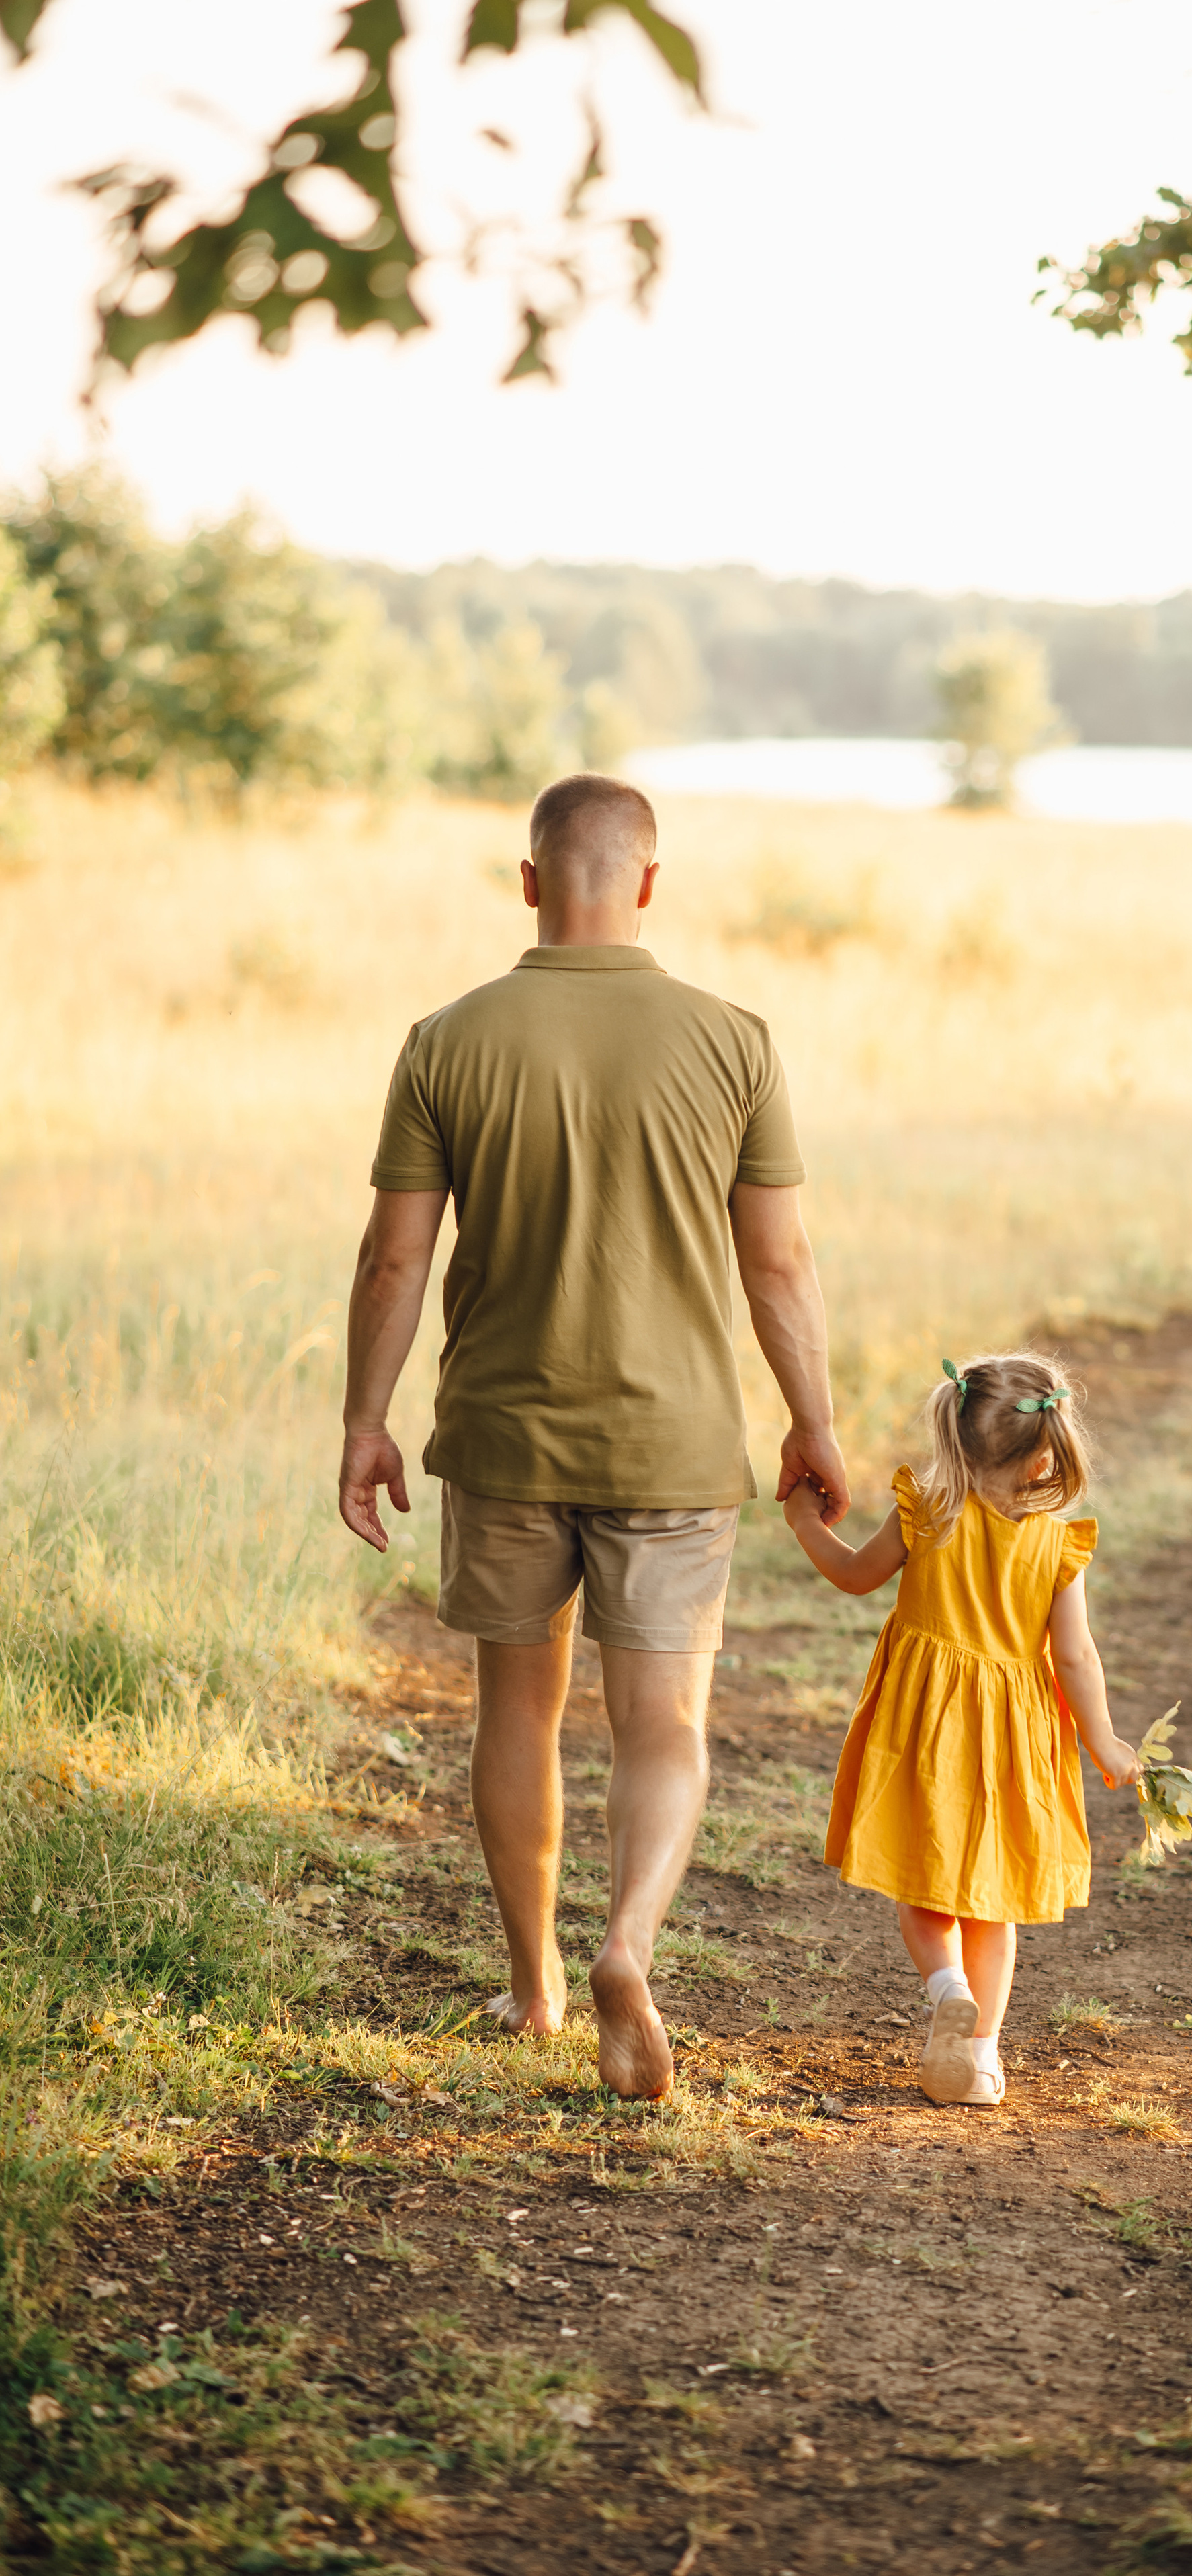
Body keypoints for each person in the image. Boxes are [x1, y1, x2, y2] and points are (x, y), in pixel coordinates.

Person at [337, 773, 849, 2100]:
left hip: (503, 1438)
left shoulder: (445, 1039)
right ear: (648, 884)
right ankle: (628, 1946)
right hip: (674, 1447)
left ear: (527, 883)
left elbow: (396, 1263)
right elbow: (780, 1267)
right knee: (663, 1727)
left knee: (518, 1709)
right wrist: (813, 1421)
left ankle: (535, 1988)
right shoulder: (733, 1040)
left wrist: (363, 1419)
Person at [782, 1350, 1141, 2108]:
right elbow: (1074, 1656)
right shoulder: (1056, 1541)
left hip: (926, 1725)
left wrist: (802, 1520)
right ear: (1047, 1452)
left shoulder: (927, 1507)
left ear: (955, 1432)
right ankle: (981, 2061)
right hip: (1012, 1738)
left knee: (924, 1881)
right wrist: (1103, 1740)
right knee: (992, 1905)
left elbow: (852, 1575)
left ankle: (944, 1987)